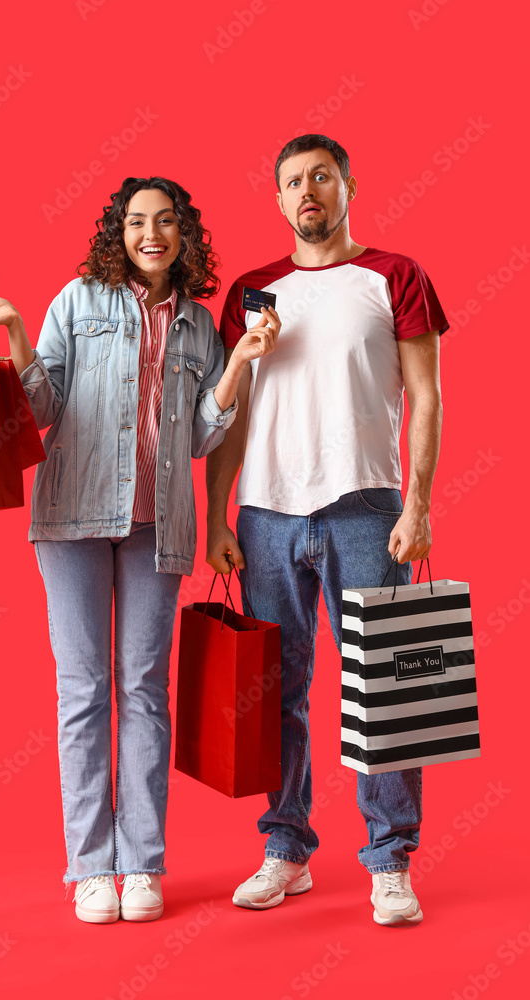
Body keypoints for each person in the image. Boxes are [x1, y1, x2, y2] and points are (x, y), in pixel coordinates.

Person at [0, 176, 280, 924]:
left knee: (142, 690)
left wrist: (240, 361)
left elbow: (198, 436)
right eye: (136, 222)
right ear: (118, 232)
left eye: (164, 222)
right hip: (71, 517)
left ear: (182, 234)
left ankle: (141, 864)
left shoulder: (199, 325)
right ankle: (91, 868)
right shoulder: (77, 302)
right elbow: (41, 411)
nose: (150, 234)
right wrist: (16, 333)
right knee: (84, 691)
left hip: (158, 525)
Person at [206, 134, 447, 926]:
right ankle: (285, 848)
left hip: (367, 508)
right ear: (276, 200)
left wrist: (416, 502)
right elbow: (228, 412)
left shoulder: (394, 276)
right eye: (290, 182)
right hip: (267, 511)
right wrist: (217, 513)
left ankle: (387, 861)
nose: (306, 190)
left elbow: (425, 395)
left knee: (387, 685)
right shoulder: (250, 288)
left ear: (348, 186)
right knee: (274, 687)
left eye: (320, 177)